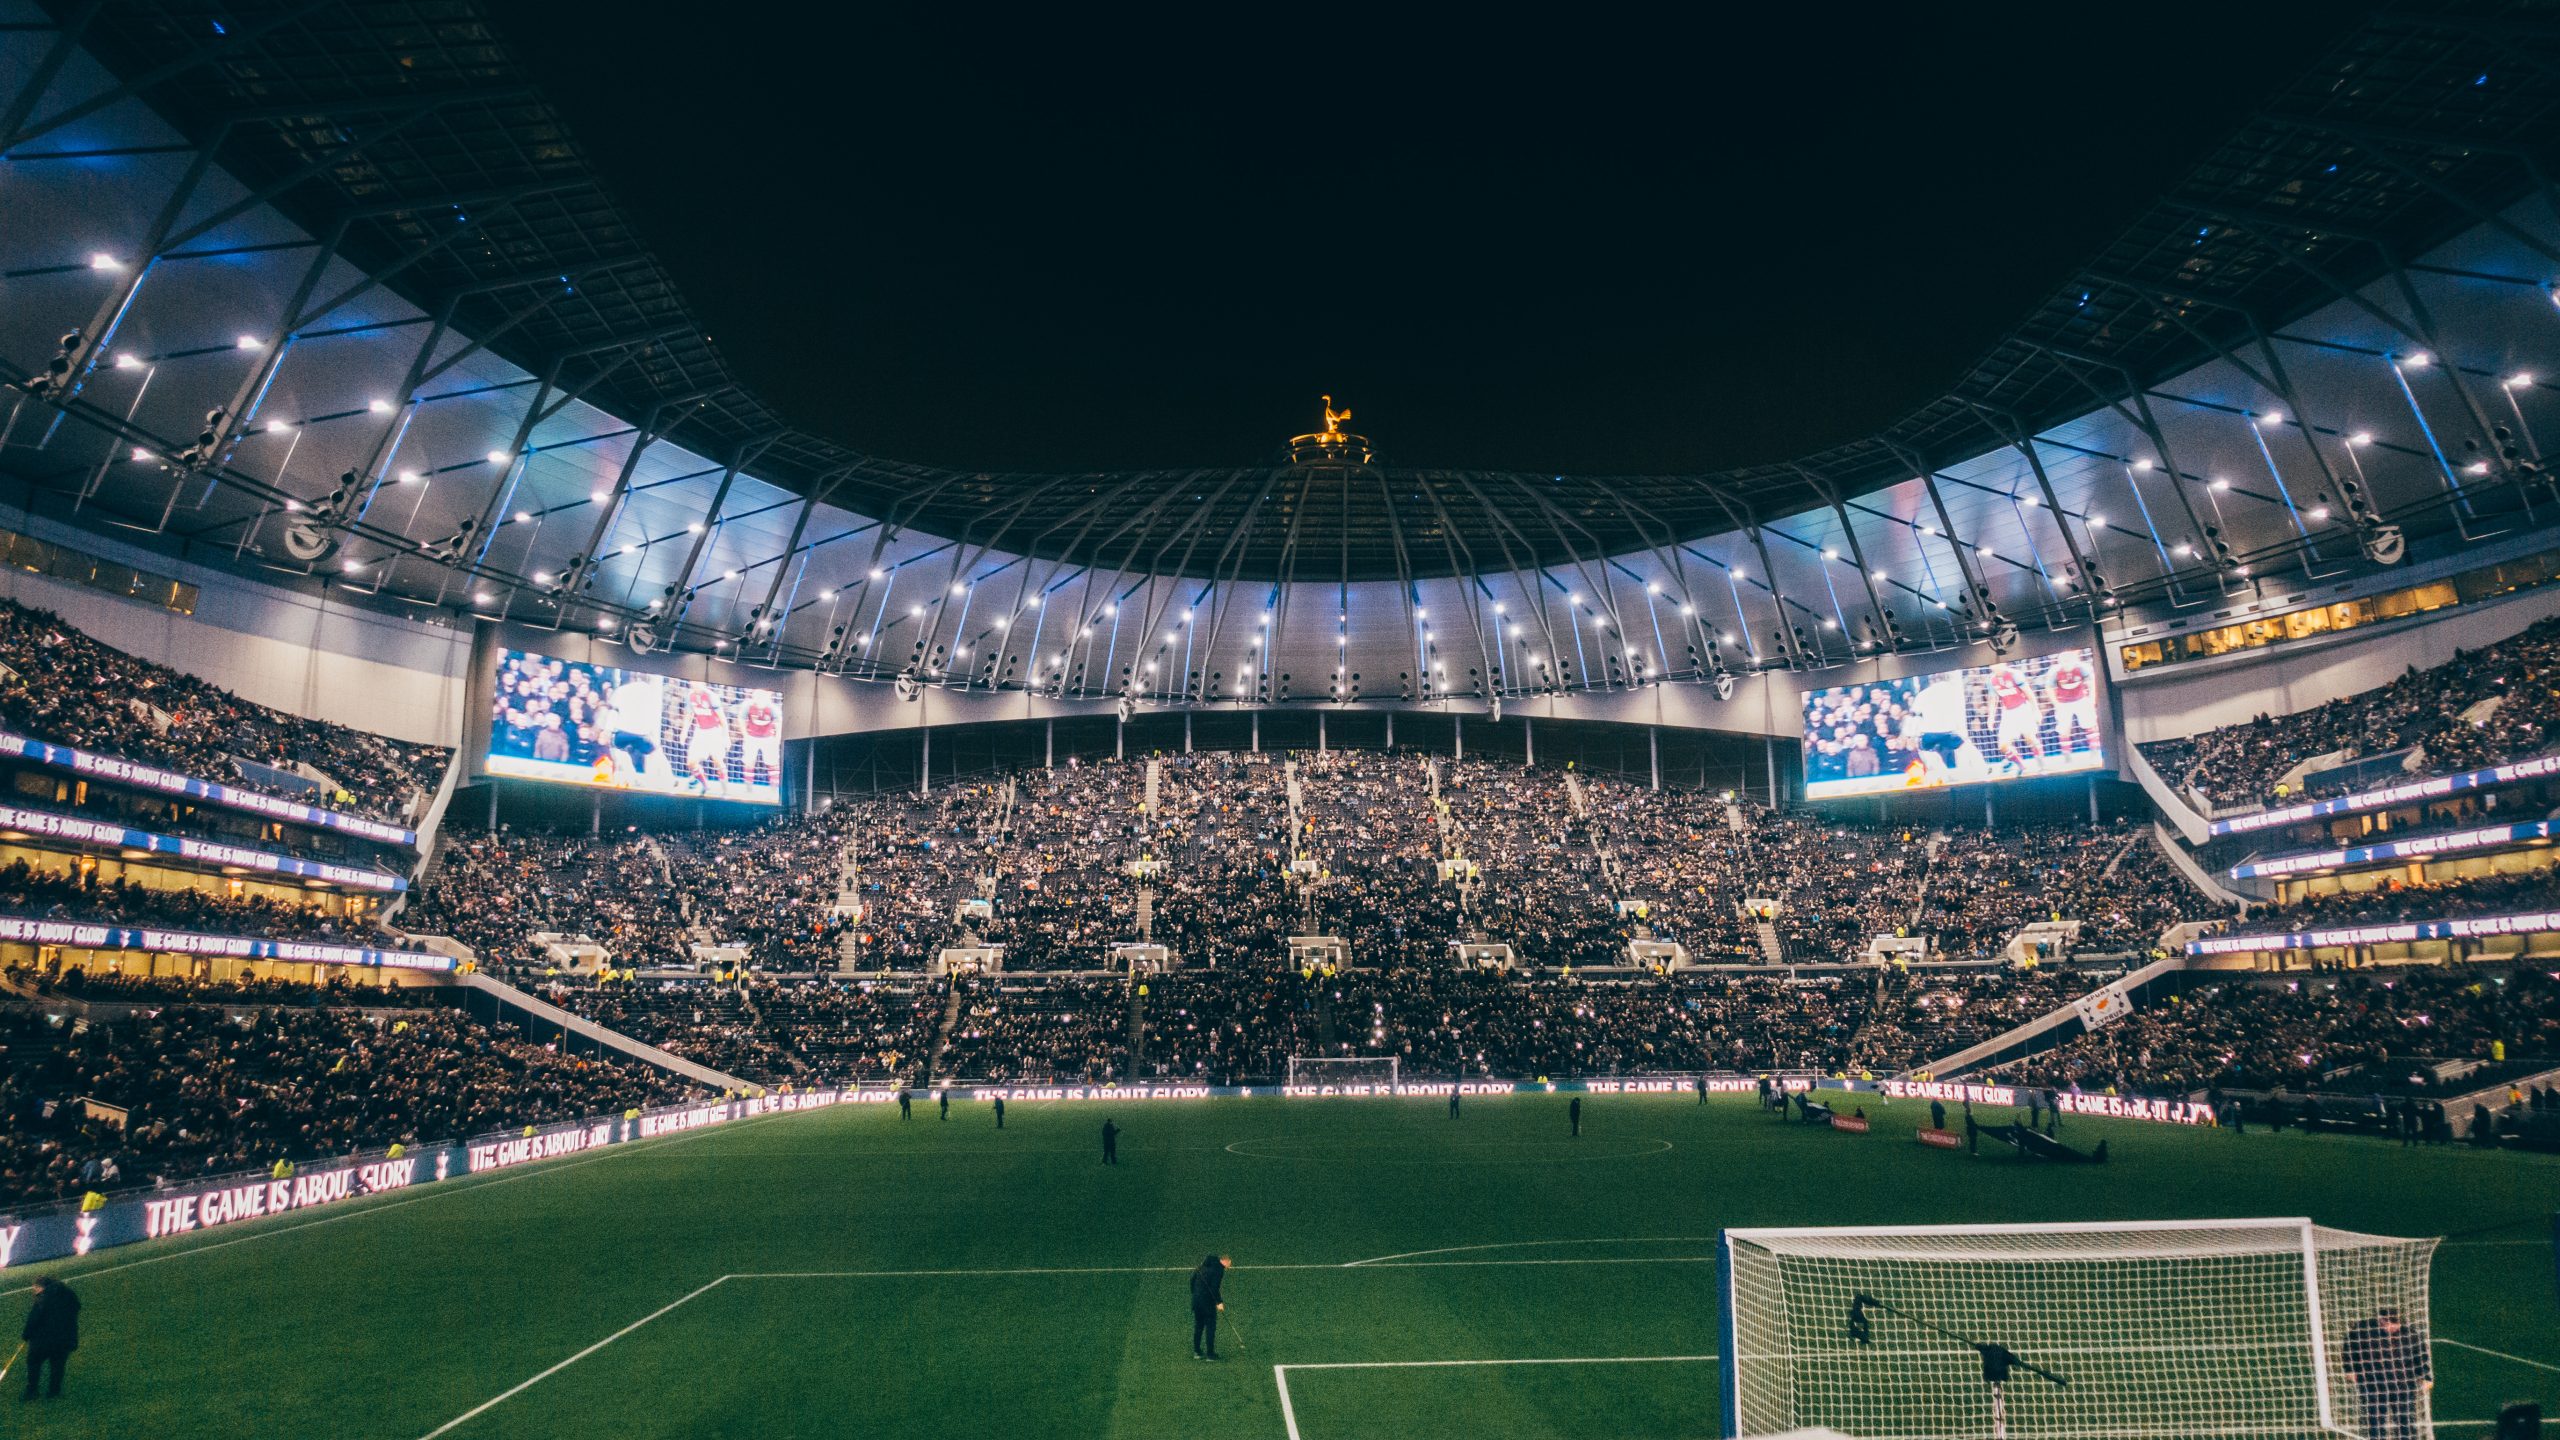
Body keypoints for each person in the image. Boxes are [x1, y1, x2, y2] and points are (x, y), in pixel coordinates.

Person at [2342, 1306, 2430, 1440]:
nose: (2392, 1328)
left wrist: (2426, 1377)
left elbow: (2421, 1357)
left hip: (2403, 1387)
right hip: (2373, 1386)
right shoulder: (2362, 1332)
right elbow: (2348, 1348)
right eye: (2388, 1324)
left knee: (2405, 1423)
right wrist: (2350, 1369)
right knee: (2374, 1425)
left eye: (2395, 1324)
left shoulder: (2410, 1335)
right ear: (2381, 1321)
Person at [19, 1275, 77, 1401]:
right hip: (64, 1339)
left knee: (34, 1363)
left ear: (41, 1287)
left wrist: (26, 1334)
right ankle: (54, 1391)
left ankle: (32, 1391)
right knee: (58, 1365)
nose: (34, 1291)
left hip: (43, 1341)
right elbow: (76, 1309)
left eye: (35, 1288)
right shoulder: (68, 1295)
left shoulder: (42, 1299)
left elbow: (33, 1320)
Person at [1190, 1254, 1227, 1360]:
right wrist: (1219, 1302)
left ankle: (1197, 1352)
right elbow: (1214, 1288)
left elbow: (1192, 1281)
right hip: (1207, 1304)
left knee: (1198, 1326)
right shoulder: (1218, 1270)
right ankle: (1210, 1354)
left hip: (1196, 1302)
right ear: (1225, 1260)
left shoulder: (1200, 1268)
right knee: (1210, 1327)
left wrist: (1196, 1295)